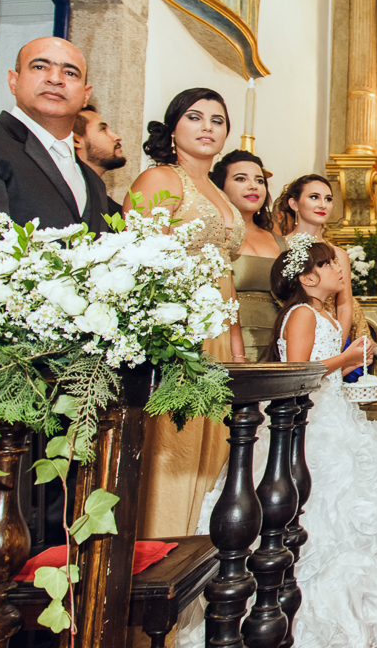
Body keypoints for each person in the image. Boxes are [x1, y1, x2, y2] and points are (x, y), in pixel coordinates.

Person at [178, 235, 377, 648]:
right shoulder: (301, 313)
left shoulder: (324, 313)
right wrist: (347, 359)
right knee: (314, 512)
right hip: (307, 423)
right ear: (307, 276)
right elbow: (299, 371)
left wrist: (351, 356)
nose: (340, 270)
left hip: (332, 414)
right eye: (331, 265)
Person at [127, 87, 246, 539]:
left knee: (211, 454)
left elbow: (225, 273)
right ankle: (158, 548)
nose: (207, 128)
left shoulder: (218, 192)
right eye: (195, 118)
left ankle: (197, 554)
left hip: (216, 334)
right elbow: (137, 260)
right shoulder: (160, 179)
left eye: (217, 121)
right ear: (173, 128)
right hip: (176, 334)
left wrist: (235, 345)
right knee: (173, 449)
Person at [0, 37, 112, 240]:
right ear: (13, 81)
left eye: (70, 73)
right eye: (39, 67)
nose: (55, 79)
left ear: (85, 95)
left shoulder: (93, 181)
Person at [211, 150, 287, 360]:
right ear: (220, 187)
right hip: (227, 344)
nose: (253, 186)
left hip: (278, 344)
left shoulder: (280, 240)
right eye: (241, 179)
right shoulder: (213, 236)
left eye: (259, 180)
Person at [274, 175, 363, 341]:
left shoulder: (338, 255)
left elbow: (343, 307)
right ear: (294, 204)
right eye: (314, 197)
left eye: (328, 199)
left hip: (326, 337)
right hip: (284, 334)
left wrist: (337, 347)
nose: (323, 204)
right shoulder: (277, 246)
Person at [72, 104, 126, 215]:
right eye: (103, 129)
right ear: (76, 140)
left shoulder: (114, 211)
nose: (116, 137)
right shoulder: (69, 197)